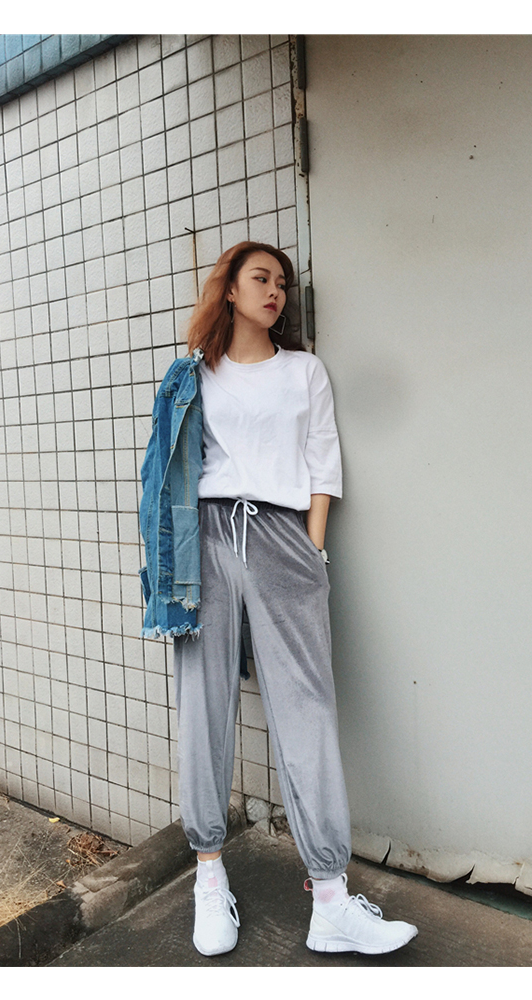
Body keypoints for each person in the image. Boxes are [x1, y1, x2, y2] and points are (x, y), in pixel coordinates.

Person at [139, 241, 418, 957]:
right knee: (203, 705)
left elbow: (323, 464)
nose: (275, 292)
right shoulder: (192, 375)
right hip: (205, 540)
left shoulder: (303, 371)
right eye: (260, 278)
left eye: (283, 283)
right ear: (229, 290)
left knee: (307, 709)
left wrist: (313, 550)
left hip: (282, 538)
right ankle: (209, 877)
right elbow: (166, 477)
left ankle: (331, 899)